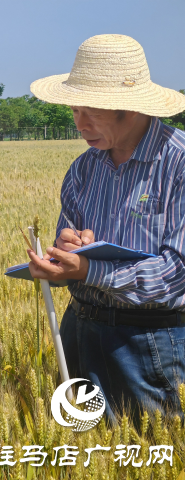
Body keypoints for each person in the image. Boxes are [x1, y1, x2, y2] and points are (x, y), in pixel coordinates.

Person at [27, 34, 185, 423]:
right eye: (74, 110)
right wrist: (63, 253)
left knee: (153, 455)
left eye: (90, 111)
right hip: (81, 329)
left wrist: (90, 270)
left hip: (149, 343)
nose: (79, 124)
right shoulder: (84, 168)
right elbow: (65, 248)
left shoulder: (177, 165)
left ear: (128, 109)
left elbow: (178, 273)